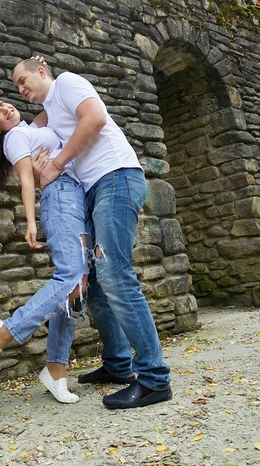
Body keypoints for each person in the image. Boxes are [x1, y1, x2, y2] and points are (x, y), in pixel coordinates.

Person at [11, 57, 173, 410]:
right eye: (17, 87)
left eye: (24, 80)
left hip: (115, 176)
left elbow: (96, 119)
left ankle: (155, 379)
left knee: (115, 273)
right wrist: (35, 167)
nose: (21, 89)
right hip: (94, 188)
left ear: (42, 72)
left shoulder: (66, 82)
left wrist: (54, 165)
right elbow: (21, 134)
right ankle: (118, 365)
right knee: (96, 282)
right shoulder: (49, 113)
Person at [0, 95, 89, 404]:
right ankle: (5, 332)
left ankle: (56, 372)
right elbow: (26, 179)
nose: (6, 109)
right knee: (72, 275)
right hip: (60, 195)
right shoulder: (15, 137)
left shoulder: (29, 127)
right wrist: (30, 222)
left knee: (76, 290)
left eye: (4, 104)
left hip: (75, 195)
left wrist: (42, 67)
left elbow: (50, 104)